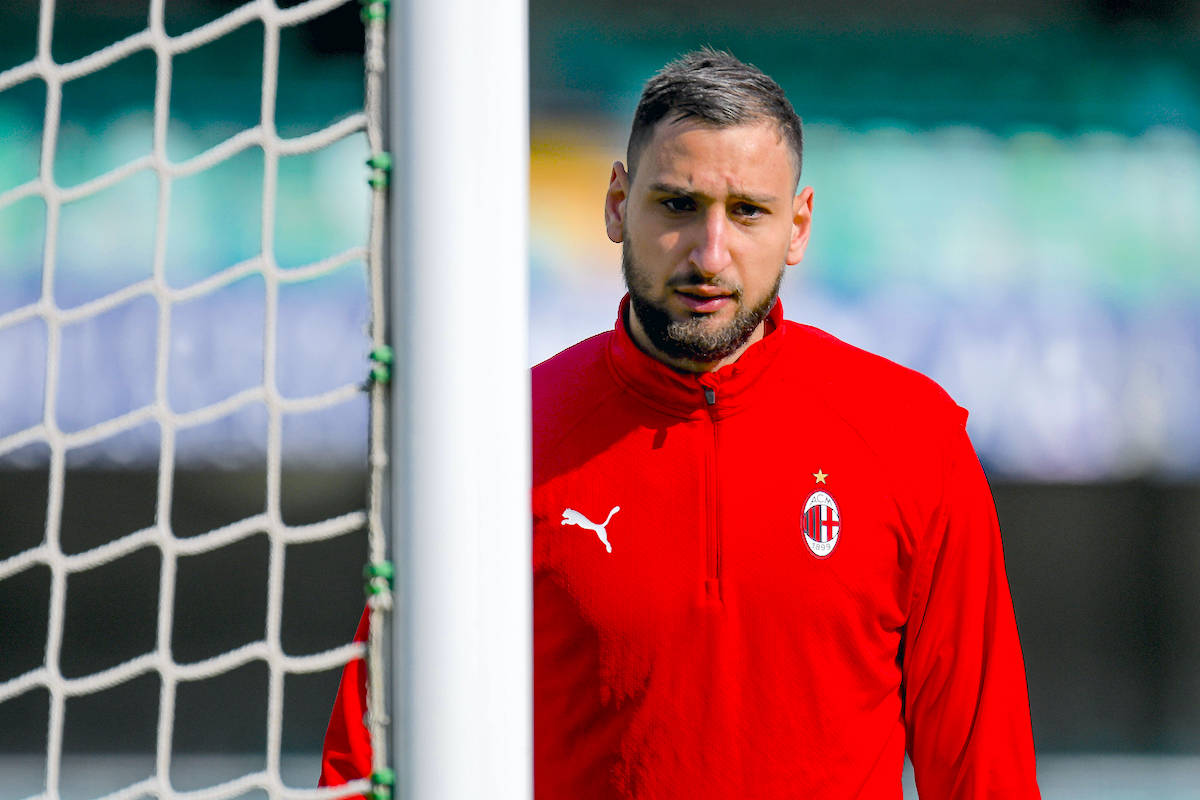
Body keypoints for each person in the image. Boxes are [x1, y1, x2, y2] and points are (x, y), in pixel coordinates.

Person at [321, 48, 1040, 799]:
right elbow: (367, 760)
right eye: (677, 205)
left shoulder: (912, 438)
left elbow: (985, 772)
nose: (710, 252)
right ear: (615, 204)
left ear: (798, 226)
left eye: (748, 212)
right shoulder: (497, 443)